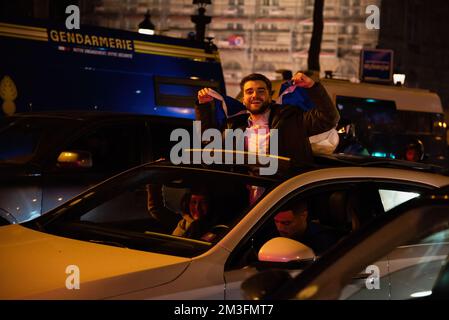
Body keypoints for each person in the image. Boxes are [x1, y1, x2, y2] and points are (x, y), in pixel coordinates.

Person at [195, 72, 340, 166]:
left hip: (285, 202)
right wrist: (203, 106)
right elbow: (208, 141)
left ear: (270, 96)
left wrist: (312, 86)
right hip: (249, 202)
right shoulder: (234, 126)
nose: (255, 95)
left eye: (261, 91)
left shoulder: (291, 119)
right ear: (244, 100)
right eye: (249, 91)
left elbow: (329, 118)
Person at [273, 201, 338, 255]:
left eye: (286, 223)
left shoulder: (323, 241)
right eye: (276, 221)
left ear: (304, 215)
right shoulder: (272, 234)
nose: (279, 228)